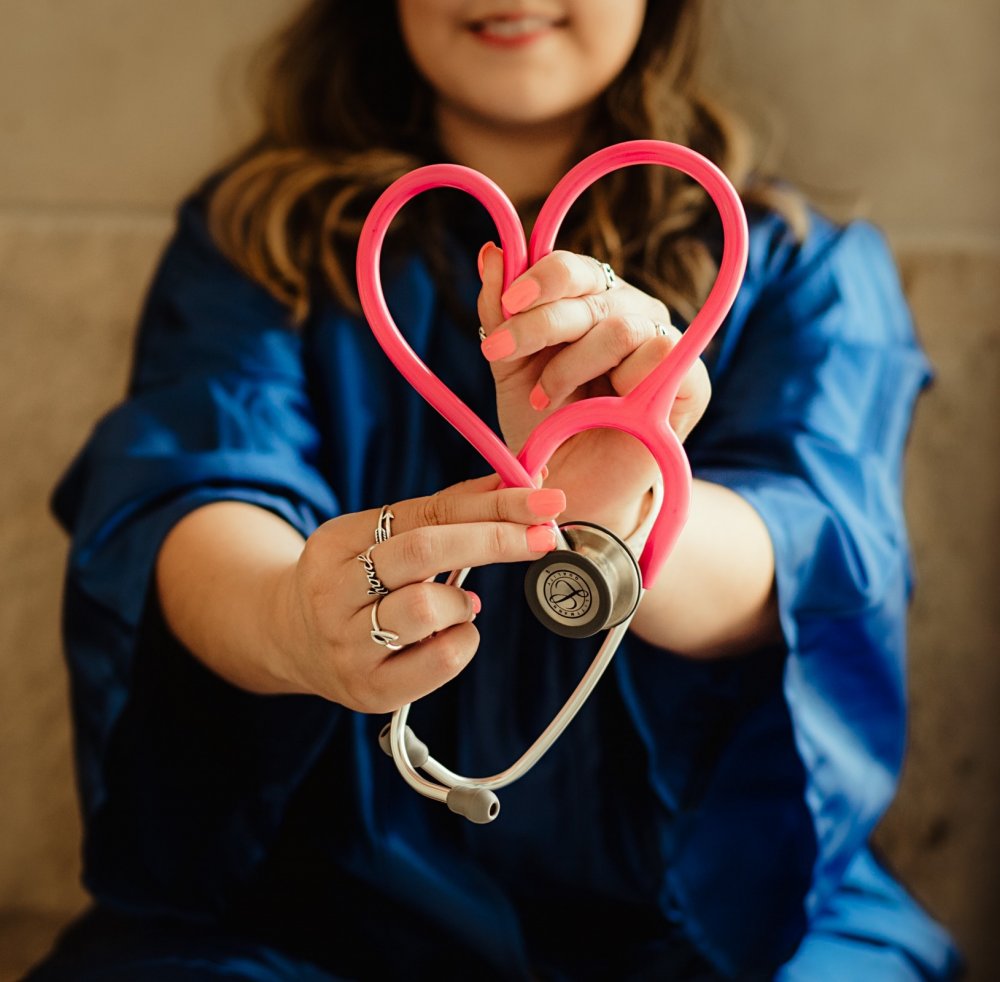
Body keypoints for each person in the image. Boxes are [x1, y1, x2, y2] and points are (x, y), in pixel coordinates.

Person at [29, 1, 961, 979]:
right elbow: (187, 487)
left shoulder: (797, 265)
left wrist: (620, 517)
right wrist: (290, 620)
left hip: (724, 916)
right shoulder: (252, 243)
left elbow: (813, 547)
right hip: (310, 914)